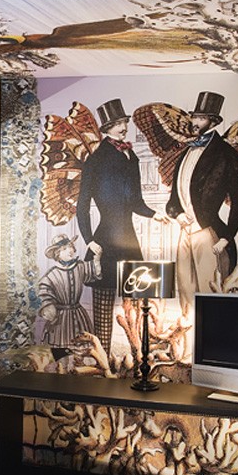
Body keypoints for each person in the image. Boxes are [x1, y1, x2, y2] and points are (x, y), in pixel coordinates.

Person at [76, 99, 166, 353]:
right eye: (117, 123)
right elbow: (82, 206)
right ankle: (103, 358)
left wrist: (155, 215)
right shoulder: (96, 160)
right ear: (107, 128)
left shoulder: (131, 156)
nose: (123, 127)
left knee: (138, 304)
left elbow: (136, 202)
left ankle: (139, 357)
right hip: (104, 241)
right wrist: (89, 241)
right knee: (103, 307)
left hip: (129, 241)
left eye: (124, 122)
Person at [166, 92, 238, 313]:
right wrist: (177, 214)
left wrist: (226, 237)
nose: (195, 122)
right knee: (185, 293)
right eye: (194, 117)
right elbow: (172, 200)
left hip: (209, 234)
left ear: (213, 121)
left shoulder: (226, 154)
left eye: (201, 118)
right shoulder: (185, 153)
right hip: (184, 233)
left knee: (210, 294)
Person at [38, 234, 100, 347]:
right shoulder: (52, 275)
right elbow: (44, 291)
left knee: (83, 347)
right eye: (65, 249)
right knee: (61, 347)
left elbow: (94, 273)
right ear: (57, 254)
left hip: (79, 314)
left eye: (71, 247)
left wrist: (97, 259)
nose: (70, 251)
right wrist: (48, 306)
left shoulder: (80, 266)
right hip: (60, 318)